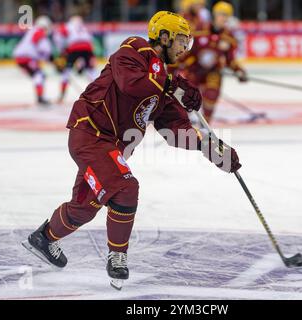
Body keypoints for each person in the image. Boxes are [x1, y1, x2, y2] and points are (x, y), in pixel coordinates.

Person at [22, 11, 241, 290]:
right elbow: (131, 84)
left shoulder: (165, 82)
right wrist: (174, 85)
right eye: (181, 41)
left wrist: (210, 147)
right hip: (90, 134)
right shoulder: (135, 49)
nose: (184, 49)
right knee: (126, 188)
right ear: (164, 37)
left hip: (113, 149)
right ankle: (118, 257)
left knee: (85, 208)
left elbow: (175, 131)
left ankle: (44, 238)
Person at [177, 1, 247, 123]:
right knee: (185, 96)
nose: (223, 18)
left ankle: (205, 126)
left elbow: (230, 60)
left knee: (212, 94)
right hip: (194, 69)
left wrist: (239, 71)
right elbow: (187, 51)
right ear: (215, 14)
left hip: (213, 72)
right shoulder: (199, 30)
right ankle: (181, 122)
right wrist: (175, 65)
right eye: (221, 14)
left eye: (226, 15)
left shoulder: (229, 37)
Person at [53, 16, 99, 103]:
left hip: (74, 48)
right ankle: (99, 94)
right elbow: (91, 39)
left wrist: (62, 50)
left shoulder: (67, 26)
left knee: (66, 72)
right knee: (92, 72)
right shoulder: (84, 27)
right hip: (87, 48)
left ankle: (61, 96)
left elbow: (58, 37)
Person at [13, 16, 53, 106]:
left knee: (38, 75)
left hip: (22, 57)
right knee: (39, 74)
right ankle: (40, 98)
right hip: (27, 58)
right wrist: (50, 57)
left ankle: (40, 97)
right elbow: (42, 47)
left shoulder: (32, 31)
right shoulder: (39, 31)